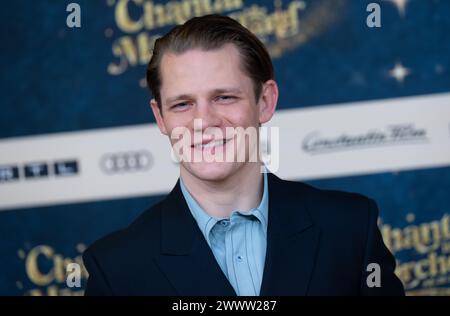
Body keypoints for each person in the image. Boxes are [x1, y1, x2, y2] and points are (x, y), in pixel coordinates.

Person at [83, 14, 405, 296]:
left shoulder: (349, 230)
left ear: (264, 101)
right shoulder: (116, 268)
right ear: (160, 117)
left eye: (224, 97)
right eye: (182, 104)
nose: (204, 122)